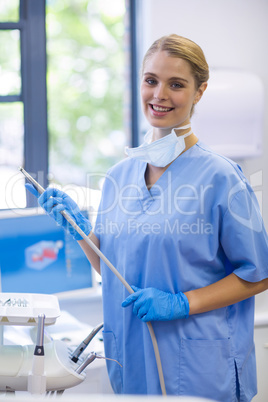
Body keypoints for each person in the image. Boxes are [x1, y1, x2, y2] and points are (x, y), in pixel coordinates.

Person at [26, 34, 268, 401]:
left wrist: (183, 303)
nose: (159, 95)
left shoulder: (221, 177)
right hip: (134, 363)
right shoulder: (118, 177)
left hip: (202, 370)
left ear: (199, 92)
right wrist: (80, 231)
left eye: (176, 84)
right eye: (151, 81)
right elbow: (114, 270)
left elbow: (259, 274)